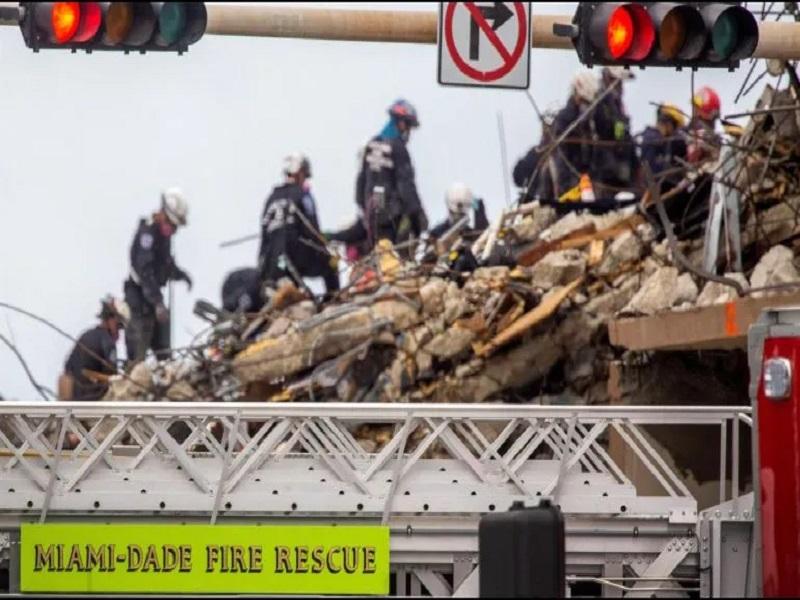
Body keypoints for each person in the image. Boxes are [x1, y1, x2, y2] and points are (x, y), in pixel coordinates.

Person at [328, 99, 429, 252]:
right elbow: (406, 186)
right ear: (400, 123)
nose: (408, 131)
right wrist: (418, 216)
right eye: (408, 125)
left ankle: (329, 238)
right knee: (398, 252)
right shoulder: (398, 148)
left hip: (371, 211)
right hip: (390, 215)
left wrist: (366, 209)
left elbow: (361, 182)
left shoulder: (371, 144)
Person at [124, 188, 192, 364]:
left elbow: (165, 264)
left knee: (164, 352)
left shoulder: (164, 236)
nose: (173, 230)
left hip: (154, 299)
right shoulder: (147, 234)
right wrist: (157, 303)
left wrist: (180, 275)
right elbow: (145, 271)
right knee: (138, 353)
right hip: (140, 298)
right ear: (163, 214)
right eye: (172, 224)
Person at [258, 153, 340, 296]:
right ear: (300, 173)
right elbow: (313, 230)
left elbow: (264, 238)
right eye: (305, 175)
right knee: (331, 261)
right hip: (296, 258)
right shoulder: (303, 195)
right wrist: (326, 250)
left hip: (276, 264)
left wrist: (263, 269)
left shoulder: (271, 199)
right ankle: (333, 298)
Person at [60, 296, 129, 401]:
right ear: (112, 320)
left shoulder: (86, 335)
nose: (119, 332)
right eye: (119, 326)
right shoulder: (108, 343)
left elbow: (68, 368)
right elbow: (112, 376)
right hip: (92, 404)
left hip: (73, 402)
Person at [551, 71, 600, 198]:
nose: (586, 106)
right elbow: (562, 160)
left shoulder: (590, 122)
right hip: (570, 185)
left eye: (589, 103)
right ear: (576, 95)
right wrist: (567, 189)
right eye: (584, 101)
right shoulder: (565, 120)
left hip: (587, 184)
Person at [592, 67, 639, 197]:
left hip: (619, 166)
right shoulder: (600, 101)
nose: (621, 87)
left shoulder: (616, 103)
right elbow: (606, 129)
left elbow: (621, 132)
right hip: (606, 169)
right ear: (609, 79)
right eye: (618, 82)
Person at [639, 103, 688, 184]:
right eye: (675, 127)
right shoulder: (653, 140)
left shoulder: (657, 139)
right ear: (668, 123)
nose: (674, 132)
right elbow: (655, 171)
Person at [686, 86, 722, 164]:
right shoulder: (690, 129)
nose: (694, 111)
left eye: (697, 108)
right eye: (694, 108)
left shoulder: (698, 131)